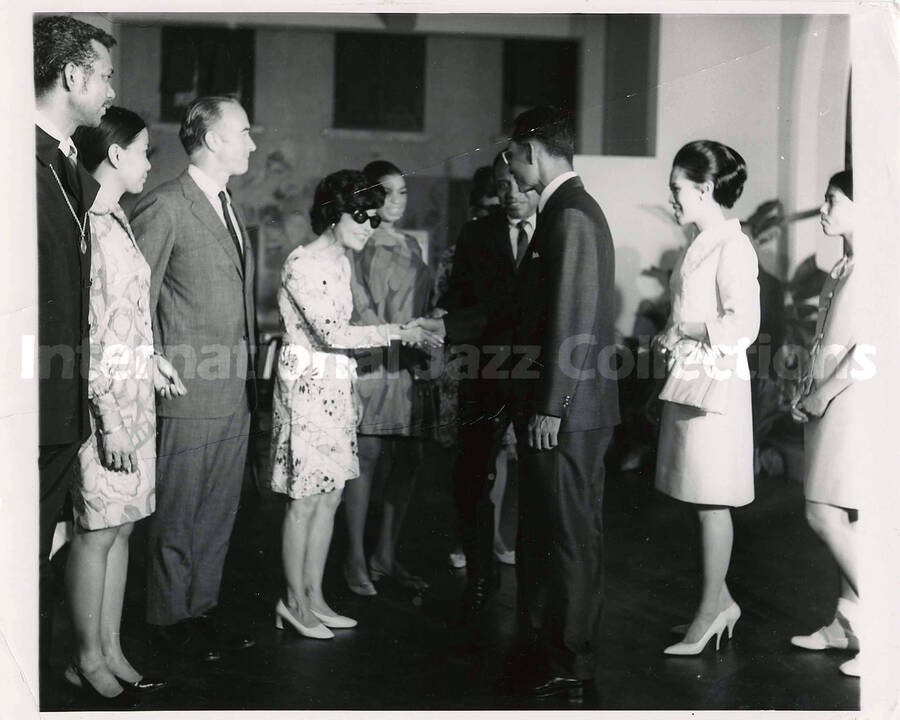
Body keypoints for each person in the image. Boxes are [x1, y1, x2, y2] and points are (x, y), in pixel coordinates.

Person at [269, 170, 441, 637]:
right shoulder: (302, 263)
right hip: (305, 390)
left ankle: (315, 596)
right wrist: (398, 331)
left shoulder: (343, 263)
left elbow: (341, 344)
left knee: (330, 497)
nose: (369, 224)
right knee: (304, 502)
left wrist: (350, 393)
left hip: (335, 388)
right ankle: (293, 602)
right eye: (361, 215)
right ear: (333, 215)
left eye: (372, 215)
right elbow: (331, 334)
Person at [131, 96, 258, 661]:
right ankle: (166, 620)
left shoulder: (228, 205)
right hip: (186, 391)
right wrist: (154, 363)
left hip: (234, 391)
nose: (252, 144)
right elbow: (136, 300)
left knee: (217, 513)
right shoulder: (166, 205)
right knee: (180, 515)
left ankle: (199, 610)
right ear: (211, 140)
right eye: (244, 133)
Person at [64, 107, 182, 707]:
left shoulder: (117, 219)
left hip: (135, 395)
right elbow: (85, 330)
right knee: (98, 530)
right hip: (103, 404)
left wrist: (154, 360)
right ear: (114, 155)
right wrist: (107, 418)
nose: (148, 163)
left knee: (124, 527)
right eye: (142, 151)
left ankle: (110, 650)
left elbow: (127, 316)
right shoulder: (86, 222)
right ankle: (85, 660)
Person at [502, 106, 620, 697]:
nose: (509, 167)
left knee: (569, 534)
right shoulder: (566, 211)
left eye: (510, 155)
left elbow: (572, 320)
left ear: (532, 150)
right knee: (553, 530)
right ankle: (553, 648)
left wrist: (551, 405)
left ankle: (572, 660)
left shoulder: (569, 215)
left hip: (567, 413)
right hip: (565, 408)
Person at [33, 14, 116, 693]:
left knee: (36, 561)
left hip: (60, 412)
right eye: (106, 75)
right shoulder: (21, 164)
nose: (112, 91)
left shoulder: (64, 166)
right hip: (30, 412)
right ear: (71, 76)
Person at [653, 140, 759, 656]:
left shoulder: (732, 246)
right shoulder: (701, 242)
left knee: (711, 501)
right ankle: (719, 602)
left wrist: (685, 329)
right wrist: (673, 334)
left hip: (715, 387)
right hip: (692, 380)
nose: (673, 198)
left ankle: (710, 612)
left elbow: (745, 324)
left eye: (678, 188)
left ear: (705, 188)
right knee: (697, 497)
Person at [436, 151, 538, 619]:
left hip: (539, 377)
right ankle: (480, 578)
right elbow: (457, 305)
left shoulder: (558, 230)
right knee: (474, 476)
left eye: (518, 184)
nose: (511, 194)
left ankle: (537, 589)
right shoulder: (477, 234)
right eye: (502, 185)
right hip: (486, 373)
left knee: (537, 483)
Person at [342, 161, 433, 596]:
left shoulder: (414, 245)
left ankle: (385, 554)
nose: (397, 200)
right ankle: (354, 559)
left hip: (410, 364)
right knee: (367, 457)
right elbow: (357, 304)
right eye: (388, 192)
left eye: (402, 192)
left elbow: (424, 301)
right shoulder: (359, 243)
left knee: (408, 460)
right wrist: (390, 335)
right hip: (374, 360)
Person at [789, 170, 861, 678]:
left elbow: (872, 350)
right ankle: (847, 622)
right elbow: (828, 342)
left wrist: (825, 394)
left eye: (832, 199)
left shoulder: (878, 265)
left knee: (822, 513)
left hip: (854, 403)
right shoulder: (844, 265)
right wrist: (807, 389)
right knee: (849, 518)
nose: (823, 206)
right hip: (829, 400)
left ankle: (886, 623)